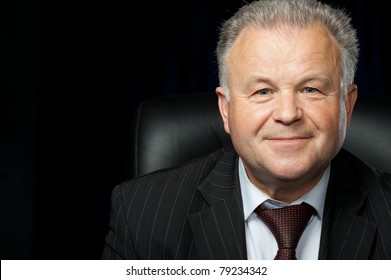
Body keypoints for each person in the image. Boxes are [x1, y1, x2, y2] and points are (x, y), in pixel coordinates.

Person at [102, 0, 391, 260]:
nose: (288, 114)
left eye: (311, 89)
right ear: (226, 109)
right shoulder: (142, 213)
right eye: (263, 91)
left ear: (347, 105)